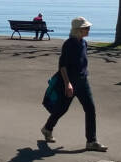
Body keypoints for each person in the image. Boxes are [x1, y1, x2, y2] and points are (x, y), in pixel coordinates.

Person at [41, 17, 108, 151]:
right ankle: (47, 128)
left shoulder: (83, 43)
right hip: (69, 82)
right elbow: (63, 66)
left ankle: (91, 141)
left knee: (90, 109)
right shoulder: (69, 44)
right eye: (86, 28)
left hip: (83, 82)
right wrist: (67, 84)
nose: (89, 30)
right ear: (79, 30)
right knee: (61, 109)